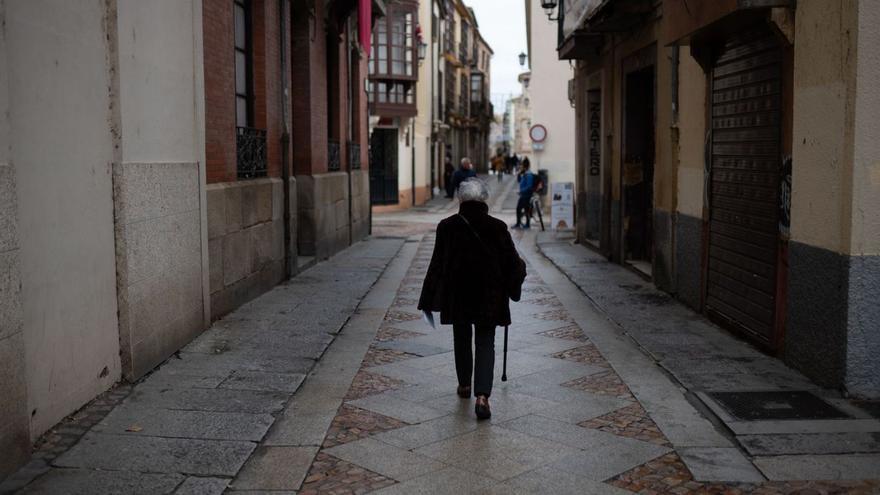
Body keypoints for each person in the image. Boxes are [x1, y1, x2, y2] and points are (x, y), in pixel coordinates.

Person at [418, 178, 527, 420]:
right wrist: (519, 273)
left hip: (458, 294)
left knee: (462, 337)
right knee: (486, 342)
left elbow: (436, 264)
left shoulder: (446, 226)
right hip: (490, 296)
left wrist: (427, 297)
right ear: (484, 199)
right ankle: (482, 397)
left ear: (460, 199)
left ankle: (465, 385)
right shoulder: (497, 227)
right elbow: (512, 264)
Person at [513, 158, 536, 229]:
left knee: (519, 209)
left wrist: (521, 191)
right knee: (525, 209)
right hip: (524, 195)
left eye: (522, 165)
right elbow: (519, 181)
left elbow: (529, 186)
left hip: (526, 195)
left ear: (524, 166)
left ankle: (520, 224)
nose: (521, 166)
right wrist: (519, 173)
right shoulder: (525, 173)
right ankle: (524, 224)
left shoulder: (528, 175)